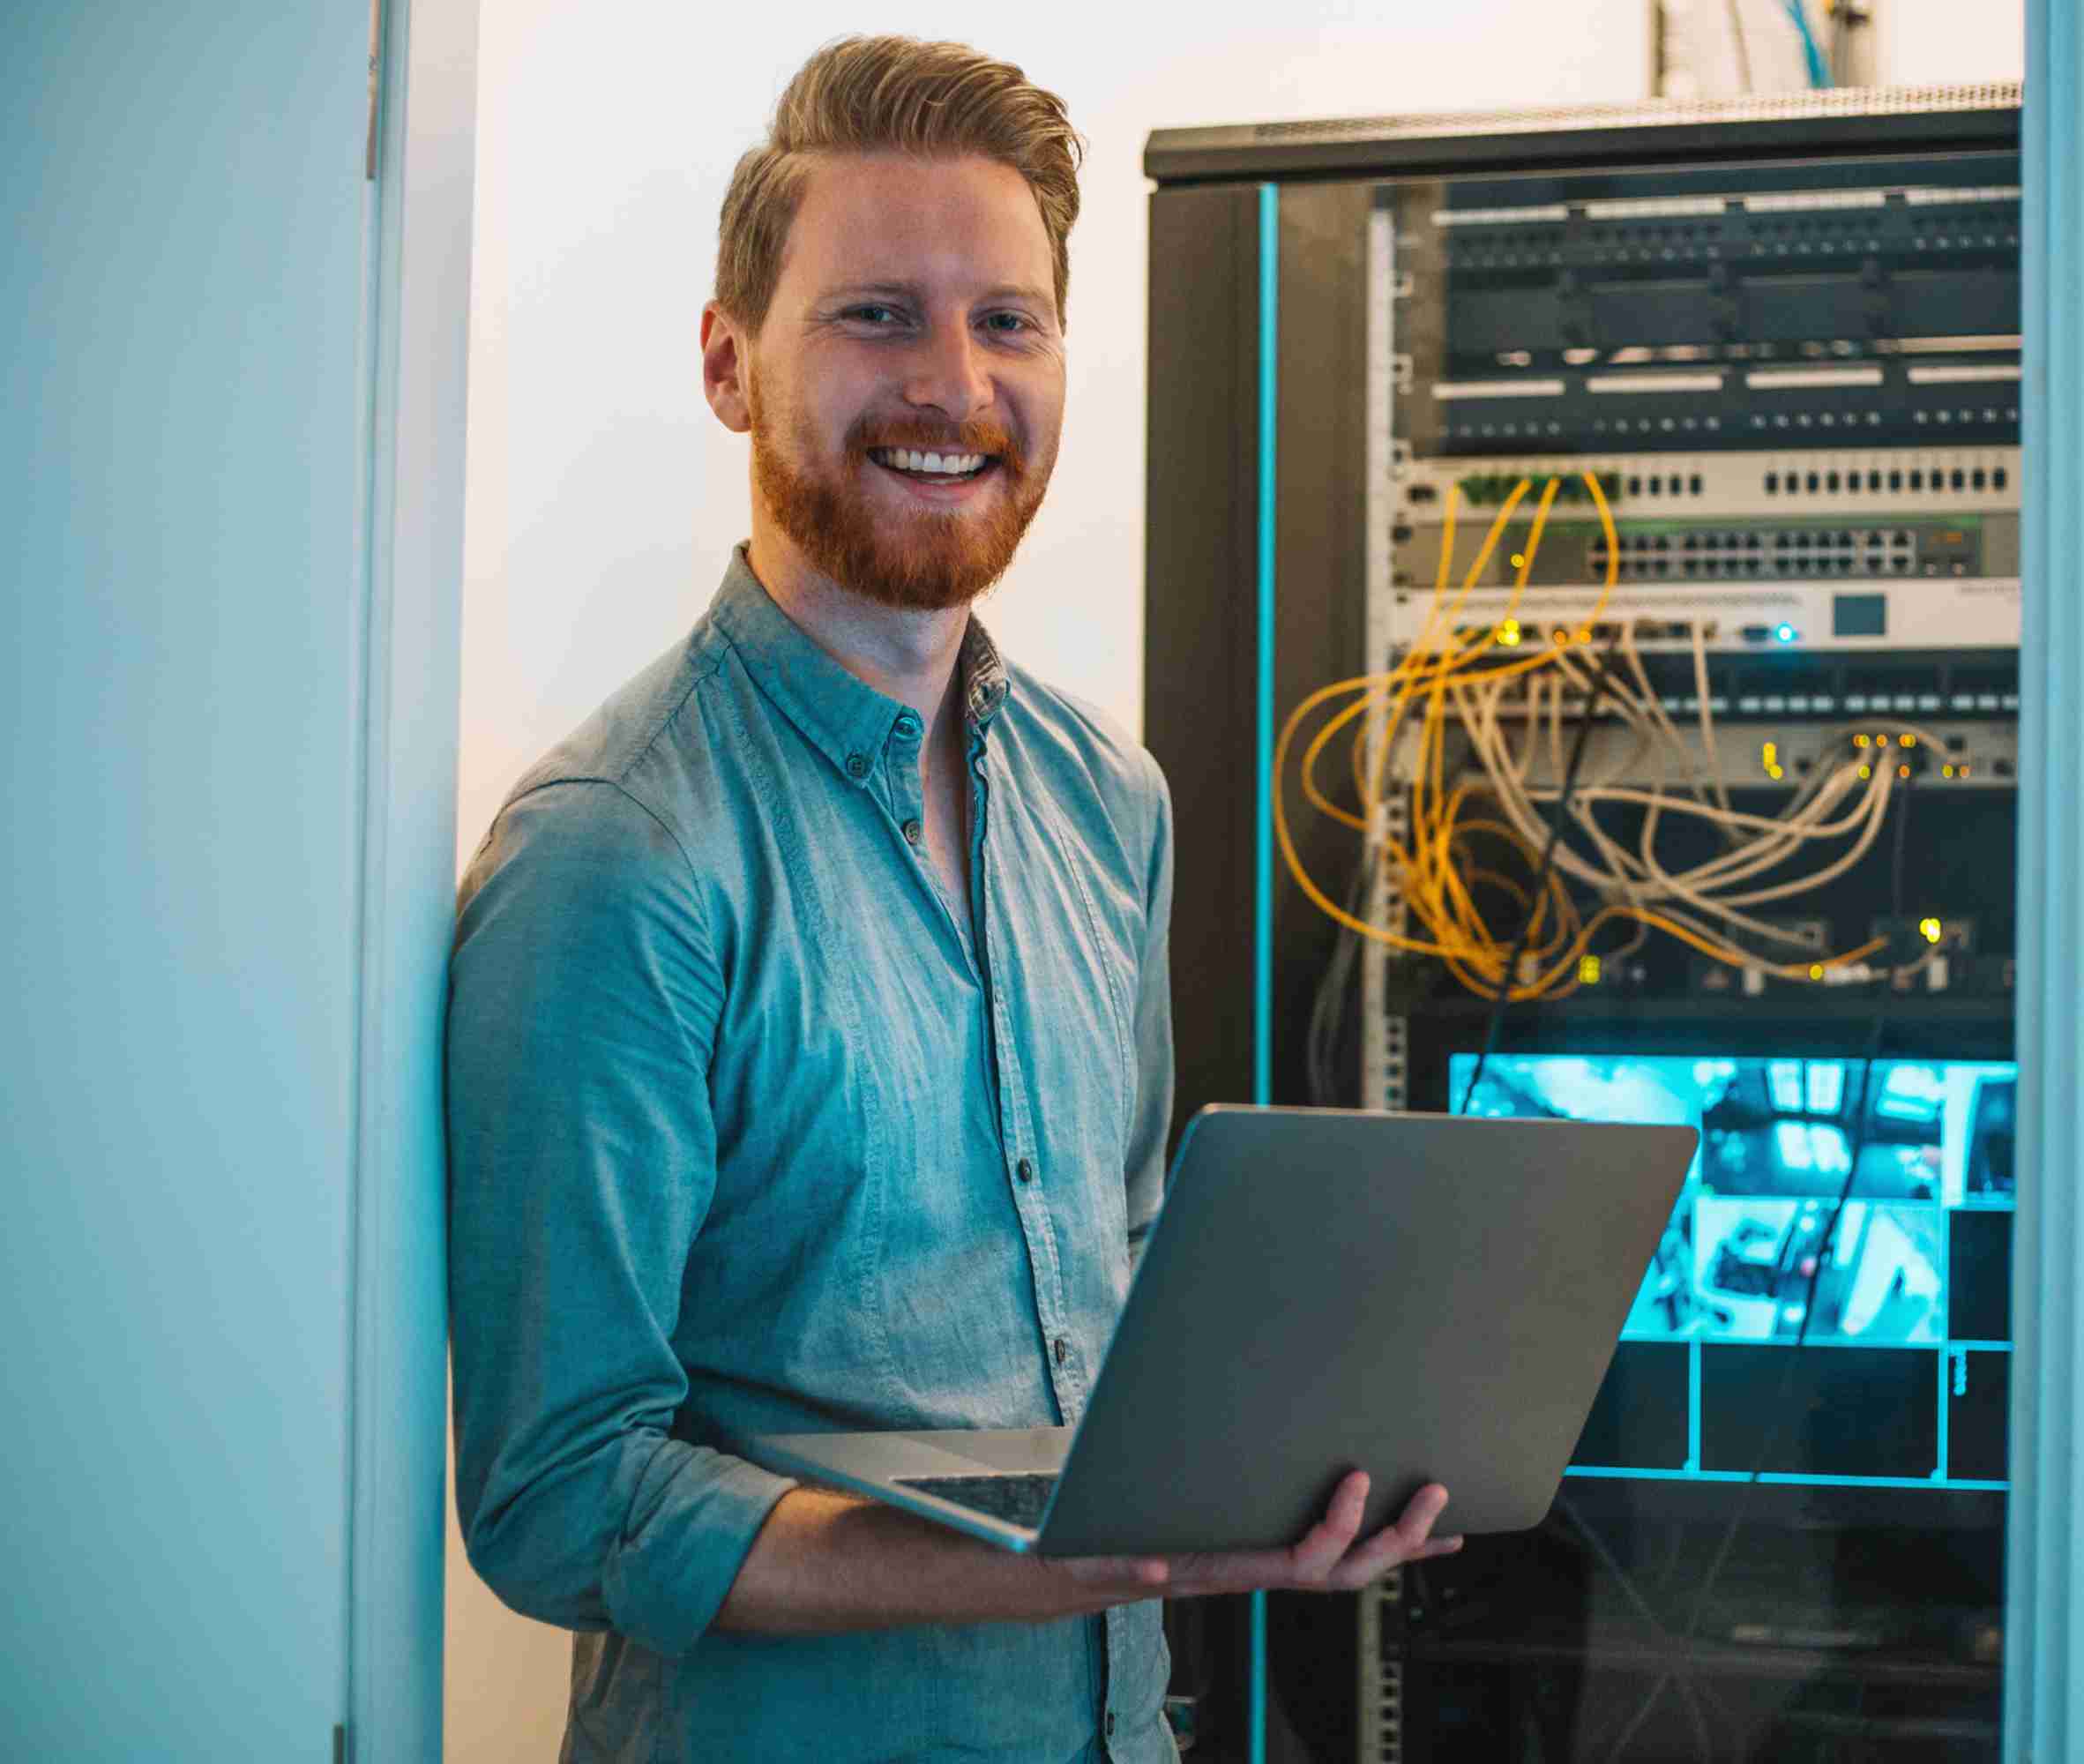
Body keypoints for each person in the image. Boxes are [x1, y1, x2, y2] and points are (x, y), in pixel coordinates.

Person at [443, 35, 1460, 1764]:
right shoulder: (619, 858)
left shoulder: (1106, 802)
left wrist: (1297, 1442)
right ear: (727, 361)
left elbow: (1123, 1290)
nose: (954, 385)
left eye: (1009, 321)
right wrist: (1062, 1567)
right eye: (876, 317)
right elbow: (561, 1496)